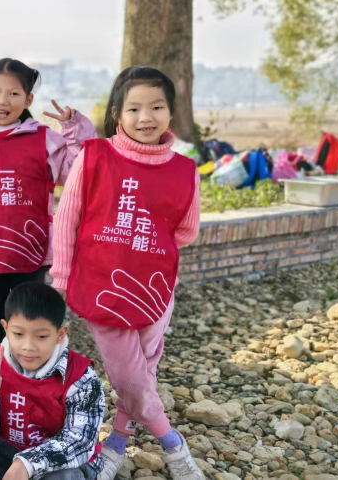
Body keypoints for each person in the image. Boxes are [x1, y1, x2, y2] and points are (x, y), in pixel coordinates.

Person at [51, 66, 202, 480]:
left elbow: (186, 231)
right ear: (118, 113)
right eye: (134, 108)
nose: (145, 117)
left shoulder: (185, 170)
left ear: (172, 113)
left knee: (141, 375)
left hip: (156, 289)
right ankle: (174, 448)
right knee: (130, 377)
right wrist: (62, 277)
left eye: (157, 107)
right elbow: (67, 218)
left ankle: (115, 445)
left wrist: (141, 245)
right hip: (102, 287)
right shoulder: (95, 156)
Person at [0, 58, 96, 346]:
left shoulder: (46, 140)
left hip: (32, 248)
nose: (3, 101)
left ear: (28, 99)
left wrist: (74, 130)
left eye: (14, 94)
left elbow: (76, 172)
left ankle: (30, 377)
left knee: (29, 319)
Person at [0, 283, 105, 480]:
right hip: (3, 449)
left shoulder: (80, 377)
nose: (28, 346)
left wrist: (27, 464)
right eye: (18, 334)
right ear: (5, 327)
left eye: (42, 336)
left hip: (56, 462)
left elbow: (80, 440)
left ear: (60, 335)